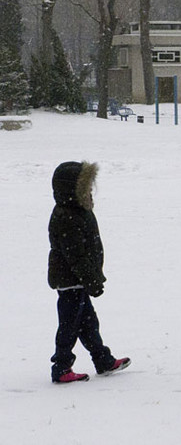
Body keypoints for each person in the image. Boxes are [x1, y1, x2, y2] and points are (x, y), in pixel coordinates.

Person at [47, 161, 130, 383]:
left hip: (78, 280)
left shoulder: (77, 210)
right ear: (72, 189)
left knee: (87, 324)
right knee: (70, 326)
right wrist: (91, 280)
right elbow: (76, 256)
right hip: (71, 280)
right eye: (85, 186)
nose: (90, 190)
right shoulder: (67, 216)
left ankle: (102, 359)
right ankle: (61, 367)